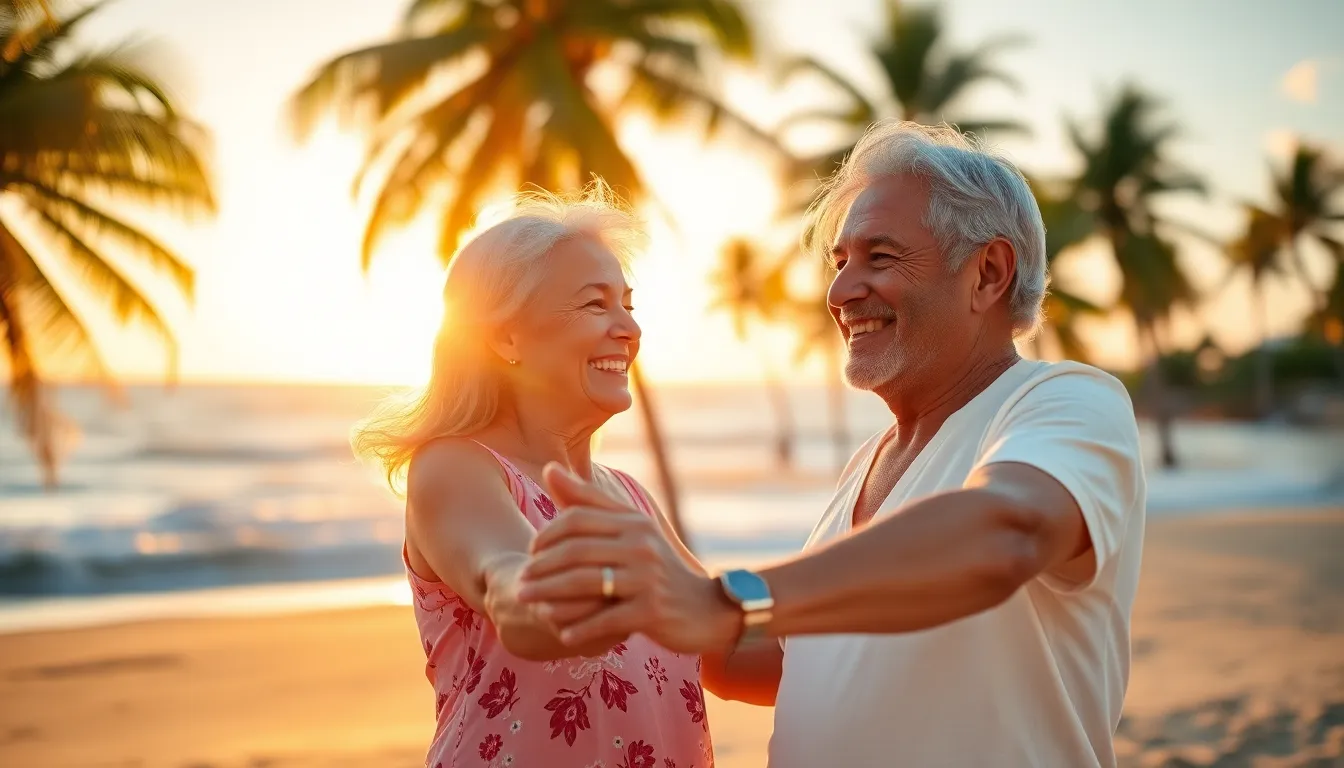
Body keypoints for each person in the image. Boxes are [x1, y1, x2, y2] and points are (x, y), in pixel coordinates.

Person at [517, 121, 1147, 767]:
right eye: (841, 262)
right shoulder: (865, 467)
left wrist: (726, 600)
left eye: (880, 257)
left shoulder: (1065, 401)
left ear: (987, 273)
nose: (840, 292)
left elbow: (1006, 534)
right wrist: (631, 571)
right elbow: (767, 664)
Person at [351, 184, 714, 768]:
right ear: (506, 336)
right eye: (596, 305)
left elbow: (733, 647)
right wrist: (557, 599)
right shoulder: (457, 466)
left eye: (628, 303)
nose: (628, 328)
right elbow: (508, 581)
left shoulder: (631, 498)